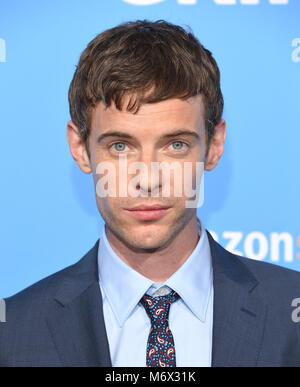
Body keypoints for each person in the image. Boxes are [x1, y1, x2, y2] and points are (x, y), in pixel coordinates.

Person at [1, 19, 300, 368]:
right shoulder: (14, 334)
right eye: (119, 146)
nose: (147, 179)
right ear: (80, 148)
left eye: (175, 145)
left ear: (215, 145)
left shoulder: (289, 315)